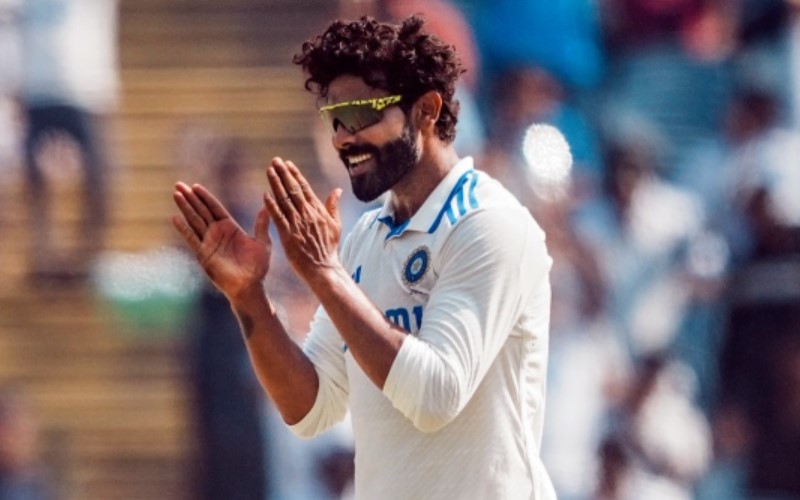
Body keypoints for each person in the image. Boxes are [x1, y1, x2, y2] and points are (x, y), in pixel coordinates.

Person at [171, 14, 555, 500]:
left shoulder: (489, 224)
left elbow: (436, 396)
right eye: (334, 119)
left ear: (426, 110)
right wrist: (248, 297)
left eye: (359, 115)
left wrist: (324, 274)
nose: (341, 138)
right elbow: (311, 408)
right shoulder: (367, 238)